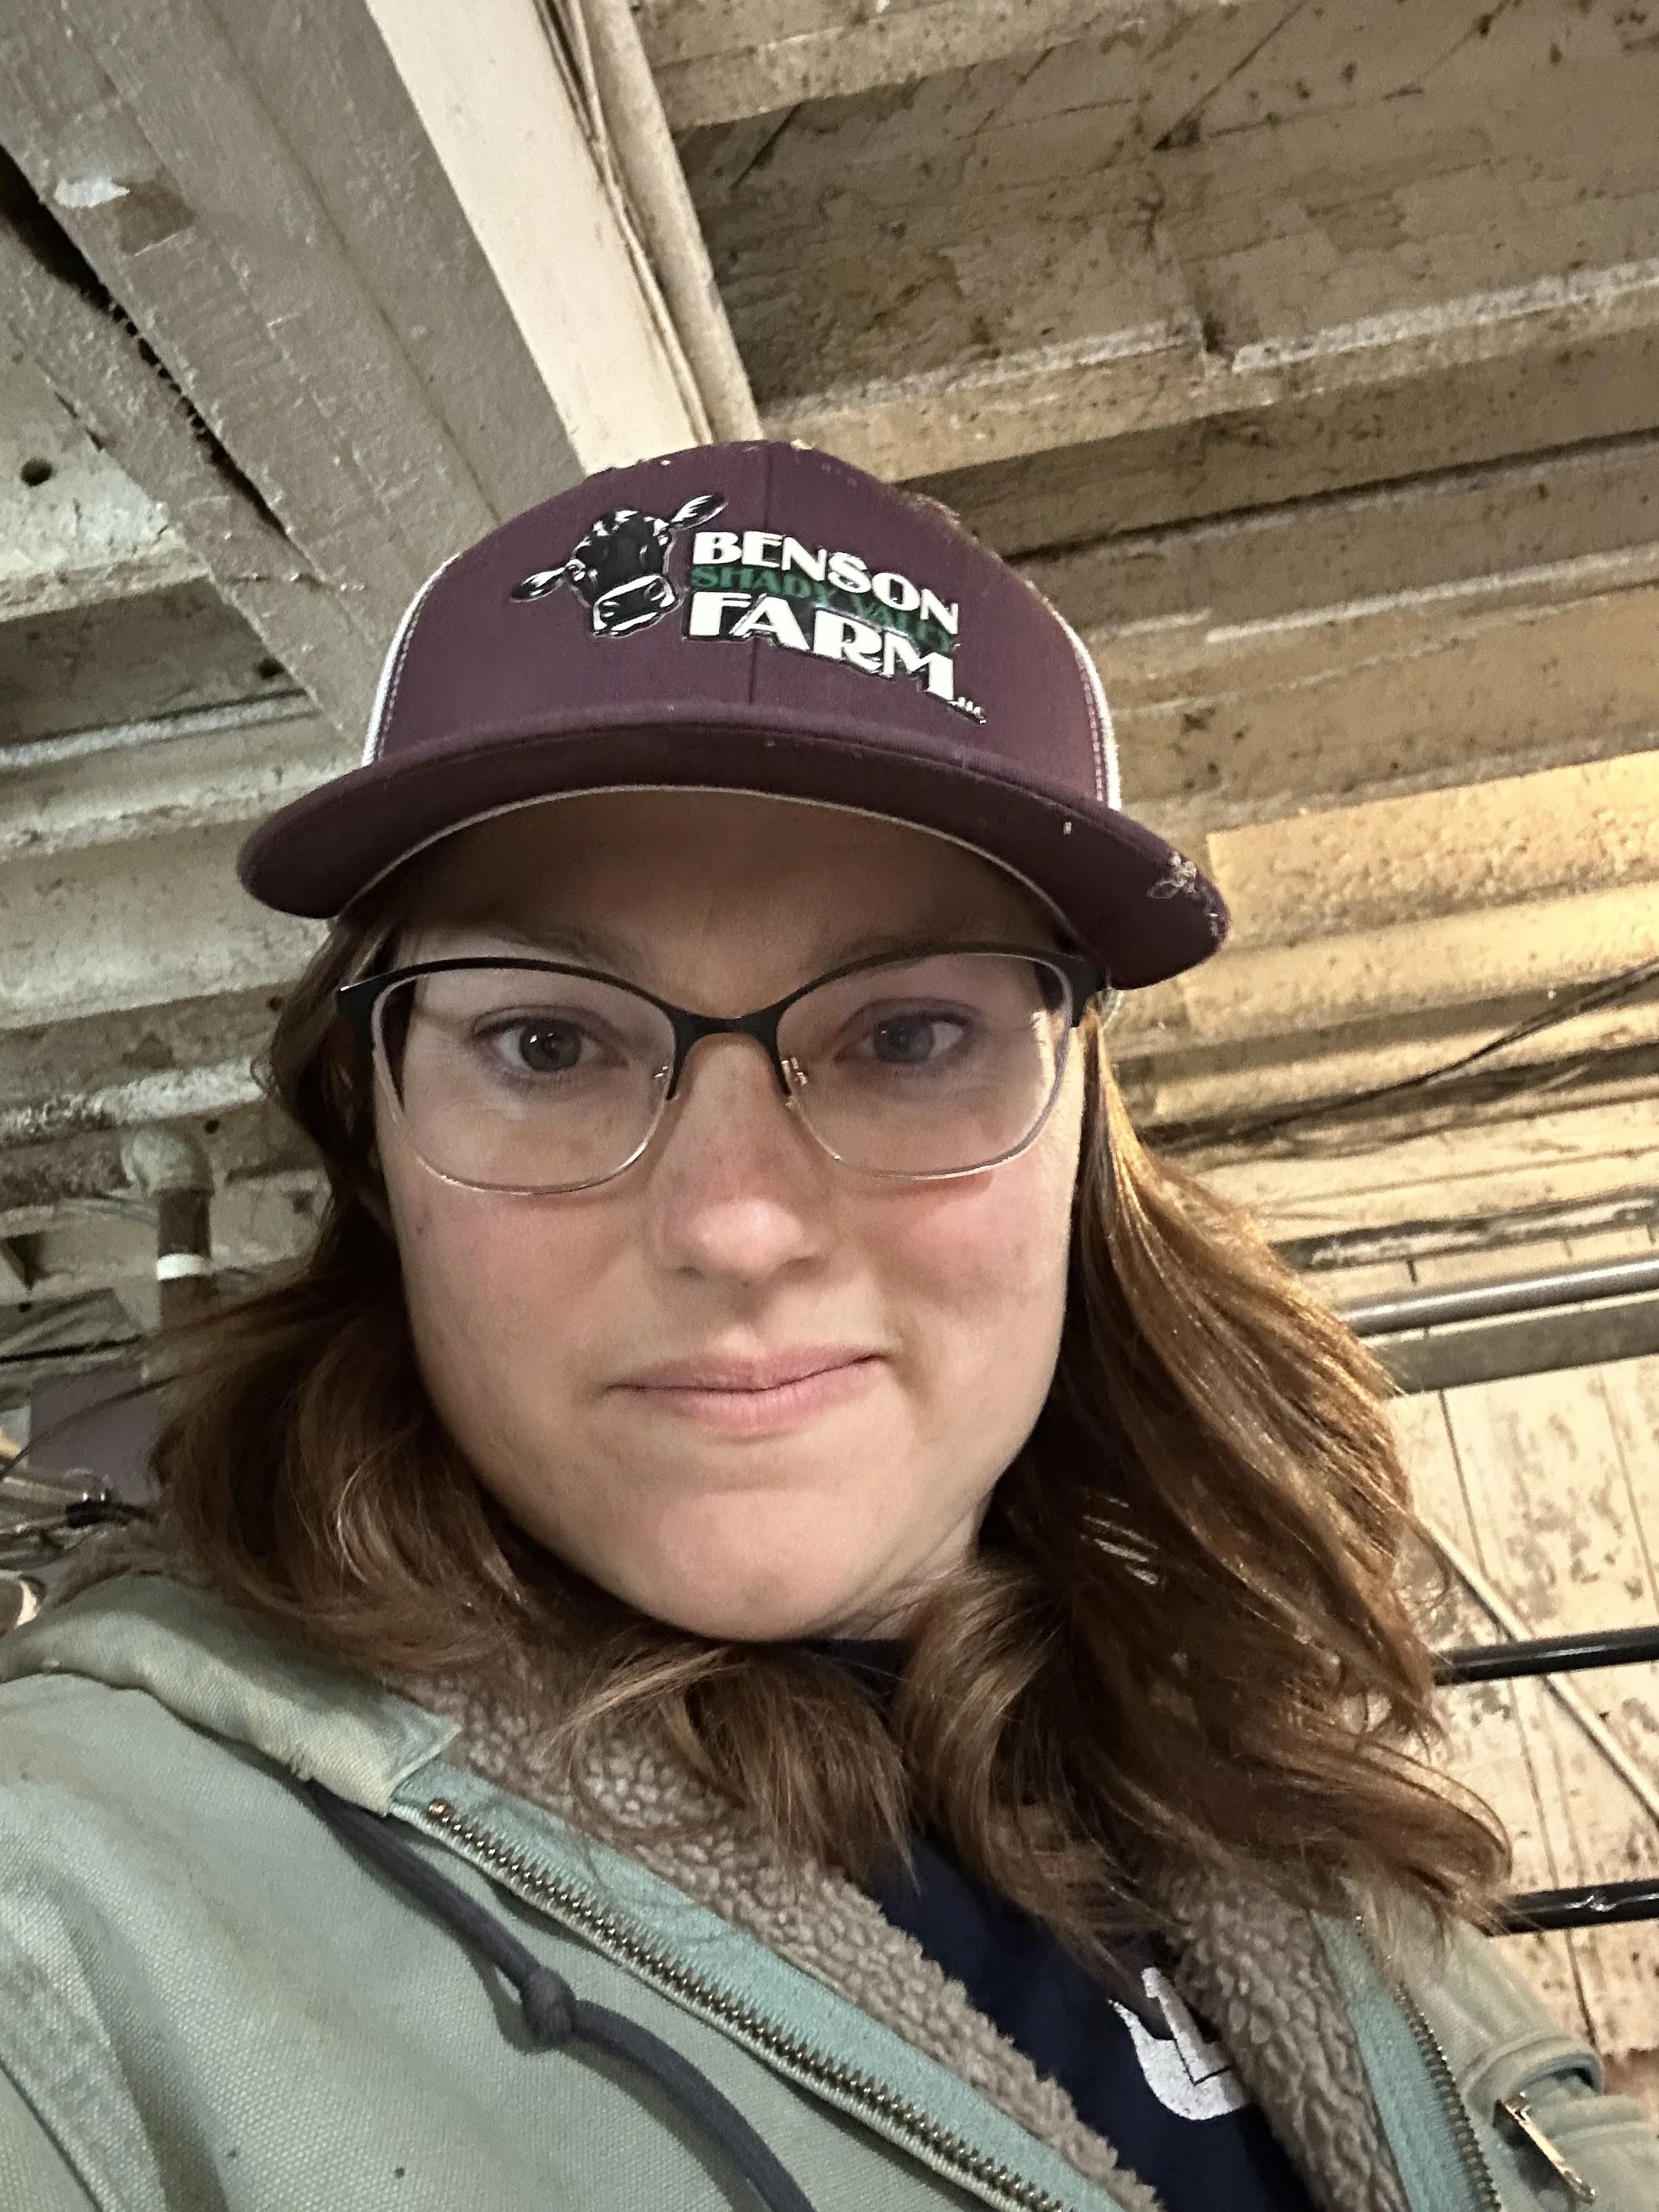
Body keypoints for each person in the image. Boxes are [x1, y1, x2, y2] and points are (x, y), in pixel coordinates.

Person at [0, 441, 1653, 2212]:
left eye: (909, 1035)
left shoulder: (1262, 1796)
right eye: (548, 1042)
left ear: (1078, 1129)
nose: (734, 1221)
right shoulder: (73, 1909)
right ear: (380, 1132)